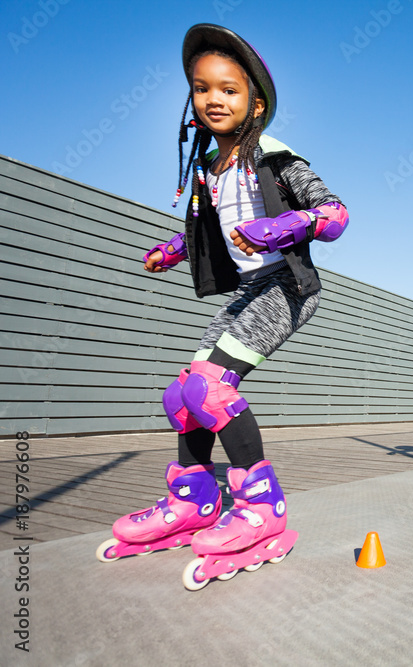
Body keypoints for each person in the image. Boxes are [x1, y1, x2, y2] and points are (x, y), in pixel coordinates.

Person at [96, 24, 349, 590]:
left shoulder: (275, 157)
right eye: (202, 87)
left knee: (213, 389)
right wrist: (174, 248)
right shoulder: (207, 170)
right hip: (248, 291)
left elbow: (333, 213)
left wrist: (288, 224)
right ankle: (194, 496)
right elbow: (210, 231)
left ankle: (262, 506)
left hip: (288, 286)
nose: (214, 98)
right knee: (183, 394)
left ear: (255, 102)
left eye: (229, 89)